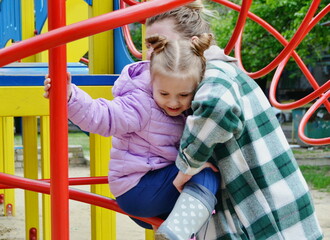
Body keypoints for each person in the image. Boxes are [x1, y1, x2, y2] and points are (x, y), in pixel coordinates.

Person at [145, 1, 323, 240]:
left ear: (195, 42)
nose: (152, 53)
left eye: (162, 43)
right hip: (251, 206)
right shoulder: (197, 79)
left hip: (270, 212)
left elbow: (217, 108)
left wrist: (187, 167)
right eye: (150, 45)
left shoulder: (216, 71)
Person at [44, 33, 221, 231]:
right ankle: (180, 231)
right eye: (164, 94)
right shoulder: (140, 104)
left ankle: (183, 230)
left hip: (153, 190)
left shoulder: (188, 106)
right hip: (139, 189)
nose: (173, 102)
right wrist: (69, 96)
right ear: (152, 82)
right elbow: (103, 116)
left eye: (183, 95)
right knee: (203, 171)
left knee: (204, 175)